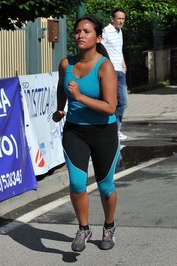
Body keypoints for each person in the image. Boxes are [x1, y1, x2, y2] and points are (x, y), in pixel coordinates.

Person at [52, 14, 119, 252]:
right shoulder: (66, 64)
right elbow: (62, 86)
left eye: (86, 31)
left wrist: (80, 97)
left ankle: (109, 226)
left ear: (98, 37)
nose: (80, 35)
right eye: (77, 31)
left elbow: (110, 107)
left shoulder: (105, 66)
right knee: (78, 184)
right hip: (75, 131)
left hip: (103, 132)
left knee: (105, 187)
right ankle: (83, 228)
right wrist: (60, 108)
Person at [101, 8, 128, 140]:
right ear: (112, 19)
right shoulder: (106, 31)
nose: (121, 21)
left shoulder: (119, 32)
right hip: (111, 71)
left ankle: (115, 129)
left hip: (120, 70)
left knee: (123, 102)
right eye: (119, 18)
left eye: (123, 19)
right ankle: (112, 131)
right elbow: (100, 49)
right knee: (113, 101)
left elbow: (119, 49)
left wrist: (123, 64)